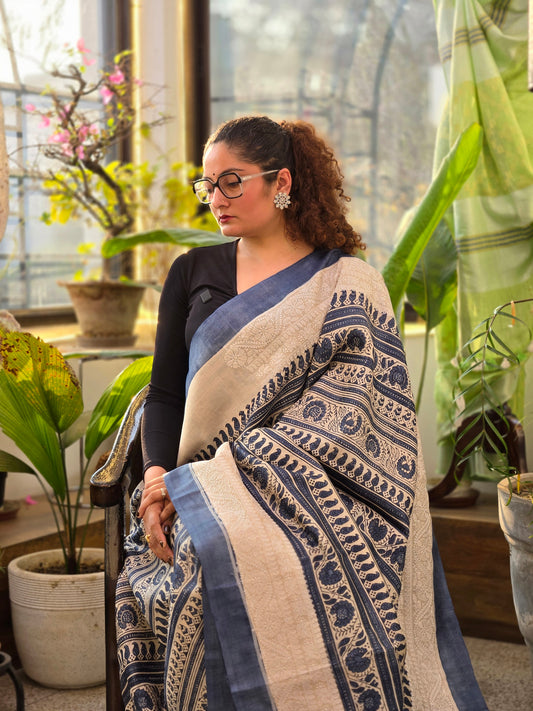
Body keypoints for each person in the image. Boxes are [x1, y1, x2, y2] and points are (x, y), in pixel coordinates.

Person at [116, 115, 487, 711]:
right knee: (197, 568)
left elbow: (363, 410)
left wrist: (256, 468)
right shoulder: (193, 272)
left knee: (309, 572)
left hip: (321, 491)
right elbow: (164, 394)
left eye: (231, 182)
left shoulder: (349, 284)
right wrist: (160, 476)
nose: (216, 198)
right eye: (207, 185)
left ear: (281, 181)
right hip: (199, 486)